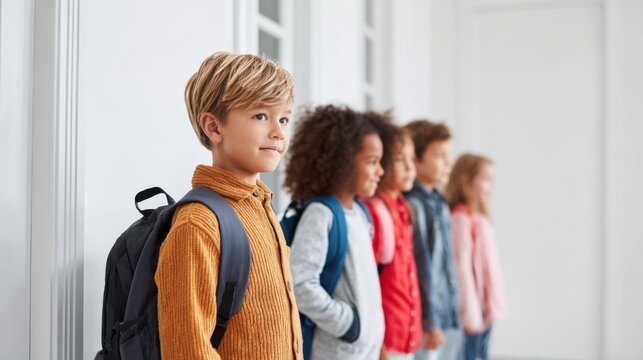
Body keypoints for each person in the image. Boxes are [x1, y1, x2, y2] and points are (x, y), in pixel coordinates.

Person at [154, 52, 303, 359]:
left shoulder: (262, 207)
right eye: (261, 116)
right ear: (214, 127)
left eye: (284, 118)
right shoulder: (198, 223)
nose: (278, 131)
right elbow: (187, 350)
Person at [284, 105, 386, 360]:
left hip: (365, 351)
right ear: (343, 162)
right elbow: (300, 283)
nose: (380, 171)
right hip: (337, 352)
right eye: (372, 162)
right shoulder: (321, 214)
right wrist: (349, 326)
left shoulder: (361, 214)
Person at [362, 121, 423, 360]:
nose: (410, 167)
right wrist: (379, 343)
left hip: (404, 334)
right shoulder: (376, 212)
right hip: (386, 340)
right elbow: (369, 283)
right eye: (399, 159)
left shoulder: (402, 209)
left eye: (411, 158)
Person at [403, 120, 460, 360]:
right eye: (439, 155)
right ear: (416, 159)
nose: (448, 163)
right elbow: (420, 267)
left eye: (448, 155)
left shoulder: (439, 201)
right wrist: (430, 321)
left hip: (445, 310)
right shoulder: (414, 205)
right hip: (429, 319)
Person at [446, 154, 506, 360]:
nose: (491, 186)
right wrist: (470, 312)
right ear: (465, 180)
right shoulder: (461, 219)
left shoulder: (479, 217)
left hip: (485, 309)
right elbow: (461, 268)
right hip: (473, 312)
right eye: (486, 179)